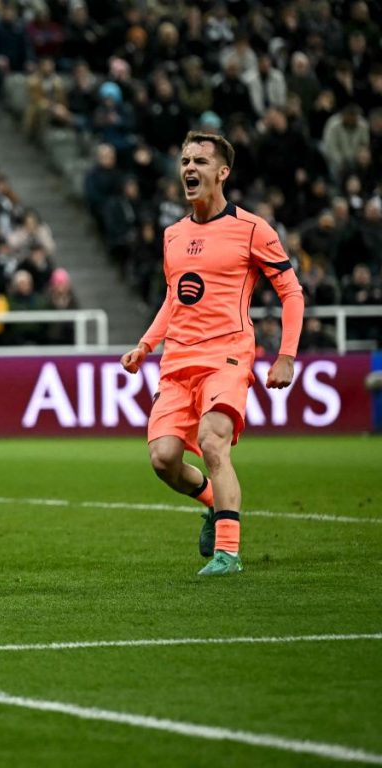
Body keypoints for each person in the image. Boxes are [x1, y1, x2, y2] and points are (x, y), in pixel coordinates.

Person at [120, 131, 304, 576]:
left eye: (200, 161)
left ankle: (228, 553)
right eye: (185, 160)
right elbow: (173, 298)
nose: (189, 168)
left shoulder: (253, 229)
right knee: (163, 459)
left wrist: (287, 355)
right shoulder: (173, 235)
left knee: (212, 442)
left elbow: (291, 292)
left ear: (222, 173)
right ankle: (212, 502)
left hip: (228, 356)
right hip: (177, 362)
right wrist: (146, 345)